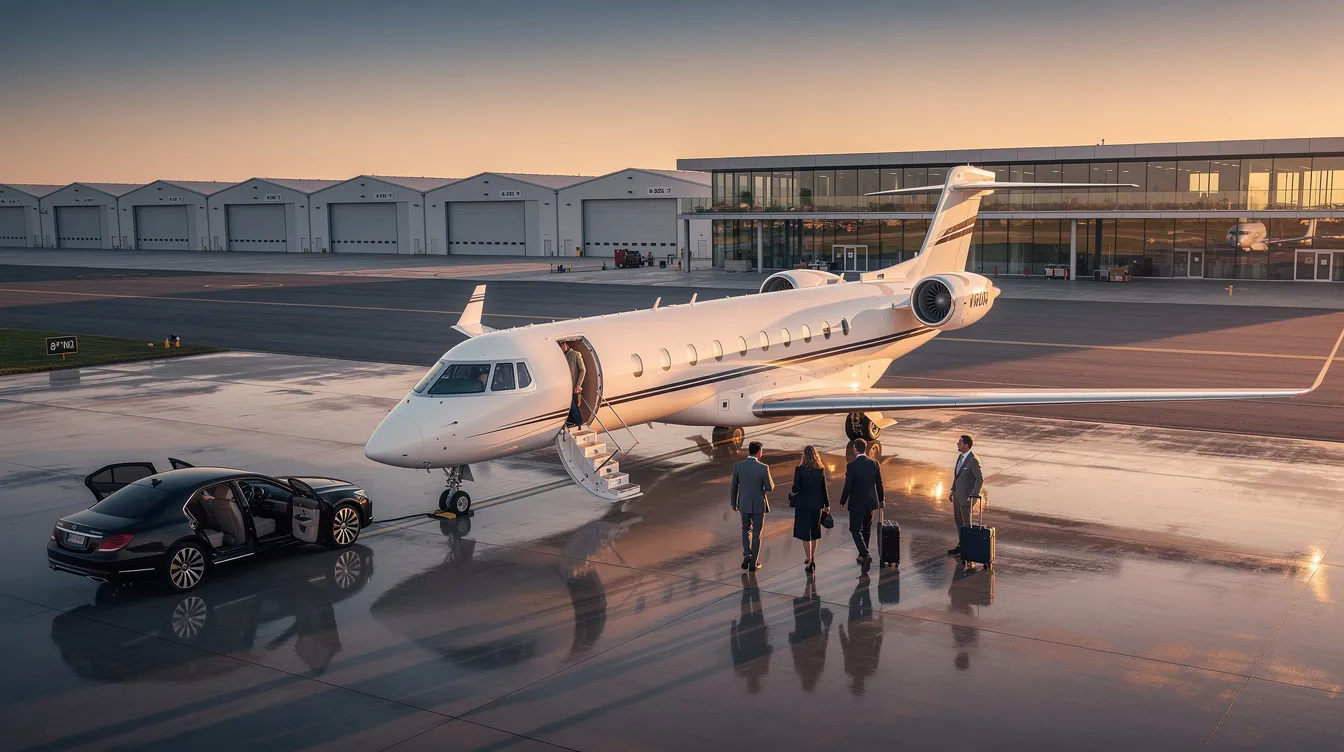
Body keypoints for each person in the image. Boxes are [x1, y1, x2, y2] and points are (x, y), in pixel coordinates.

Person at [839, 438, 884, 573]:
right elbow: (879, 483)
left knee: (855, 529)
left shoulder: (851, 466)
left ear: (855, 449)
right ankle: (862, 556)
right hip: (870, 502)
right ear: (865, 449)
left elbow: (848, 486)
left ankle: (865, 555)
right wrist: (881, 499)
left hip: (857, 503)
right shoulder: (874, 464)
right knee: (866, 529)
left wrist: (843, 500)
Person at [730, 440, 774, 571]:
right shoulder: (763, 467)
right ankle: (753, 564)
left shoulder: (738, 466)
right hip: (759, 504)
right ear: (759, 452)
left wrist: (733, 503)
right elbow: (769, 487)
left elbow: (734, 487)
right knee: (757, 534)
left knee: (745, 529)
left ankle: (747, 554)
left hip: (743, 503)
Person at [789, 445, 829, 573]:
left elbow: (796, 488)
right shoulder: (820, 470)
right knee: (815, 532)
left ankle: (809, 559)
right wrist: (827, 504)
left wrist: (791, 493)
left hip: (803, 505)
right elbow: (824, 488)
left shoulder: (799, 470)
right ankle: (812, 557)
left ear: (804, 456)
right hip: (817, 505)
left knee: (805, 534)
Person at [947, 434, 983, 557]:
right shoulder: (960, 457)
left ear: (966, 445)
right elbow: (957, 476)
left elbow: (979, 479)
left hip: (967, 498)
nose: (958, 443)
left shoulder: (973, 460)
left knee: (967, 524)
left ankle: (969, 548)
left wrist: (974, 495)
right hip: (957, 496)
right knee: (959, 522)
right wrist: (953, 489)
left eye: (960, 442)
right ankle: (962, 544)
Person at [561, 341, 586, 427]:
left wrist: (578, 384)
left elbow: (583, 370)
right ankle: (573, 421)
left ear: (565, 345)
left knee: (572, 404)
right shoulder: (562, 357)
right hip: (565, 385)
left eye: (562, 346)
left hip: (573, 385)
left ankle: (578, 423)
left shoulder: (575, 354)